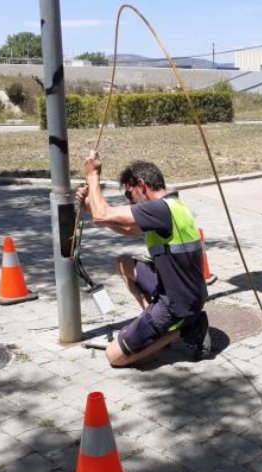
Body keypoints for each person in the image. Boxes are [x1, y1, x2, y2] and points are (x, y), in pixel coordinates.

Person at [76, 151, 210, 367]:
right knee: (123, 263)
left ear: (141, 185)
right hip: (187, 291)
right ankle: (153, 319)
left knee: (114, 356)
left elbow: (103, 214)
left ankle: (181, 332)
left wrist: (93, 176)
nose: (130, 202)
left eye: (129, 195)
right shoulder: (174, 205)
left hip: (176, 304)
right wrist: (90, 208)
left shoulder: (158, 208)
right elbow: (129, 229)